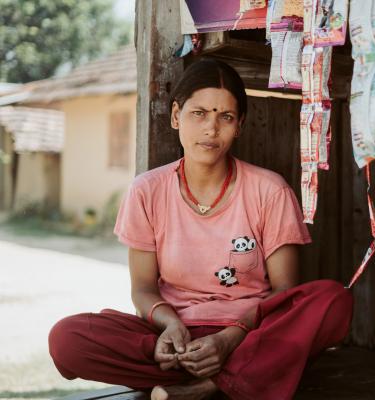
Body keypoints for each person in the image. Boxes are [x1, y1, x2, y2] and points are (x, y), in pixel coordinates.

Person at [47, 58, 353, 400]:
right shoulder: (147, 190)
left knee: (332, 300)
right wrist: (170, 326)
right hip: (177, 340)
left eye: (225, 117)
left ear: (239, 125)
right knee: (67, 338)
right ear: (177, 116)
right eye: (199, 113)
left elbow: (284, 293)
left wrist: (229, 337)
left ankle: (209, 386)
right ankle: (240, 376)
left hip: (250, 335)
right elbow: (143, 288)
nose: (211, 128)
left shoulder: (270, 190)